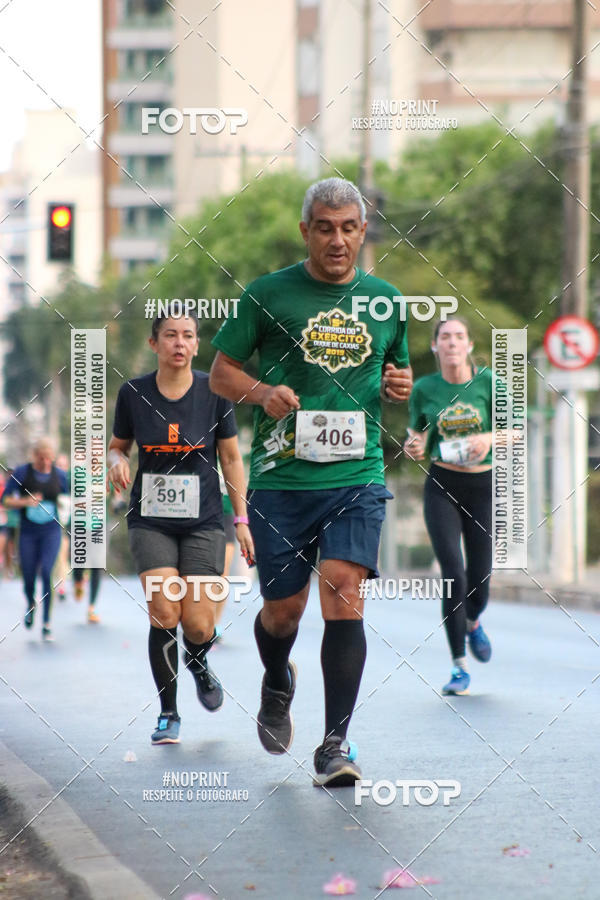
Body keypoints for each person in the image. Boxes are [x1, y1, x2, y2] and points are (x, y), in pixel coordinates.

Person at [210, 176, 412, 786]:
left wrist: (398, 386)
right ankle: (277, 677)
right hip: (282, 479)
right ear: (307, 231)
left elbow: (396, 370)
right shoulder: (269, 294)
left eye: (349, 228)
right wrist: (263, 391)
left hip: (358, 474)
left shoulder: (386, 301)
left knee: (345, 588)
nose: (337, 239)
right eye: (325, 227)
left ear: (363, 232)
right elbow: (220, 374)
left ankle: (335, 746)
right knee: (284, 612)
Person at [107, 308, 253, 745]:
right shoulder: (133, 393)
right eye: (170, 335)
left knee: (199, 625)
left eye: (188, 335)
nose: (179, 343)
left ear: (196, 344)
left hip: (206, 521)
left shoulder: (215, 391)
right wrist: (116, 461)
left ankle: (200, 662)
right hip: (151, 520)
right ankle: (169, 713)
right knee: (165, 612)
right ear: (154, 344)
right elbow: (118, 448)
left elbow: (230, 458)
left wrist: (241, 519)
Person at [405, 316, 493, 696]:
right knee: (453, 574)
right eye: (445, 337)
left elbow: (516, 429)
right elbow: (418, 435)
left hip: (483, 486)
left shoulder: (489, 382)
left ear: (469, 346)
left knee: (481, 577)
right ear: (435, 346)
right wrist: (415, 446)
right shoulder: (425, 388)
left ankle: (473, 620)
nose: (453, 343)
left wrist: (489, 437)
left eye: (459, 337)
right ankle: (459, 665)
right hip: (443, 485)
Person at [1, 438, 68, 640]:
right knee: (29, 574)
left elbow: (76, 497)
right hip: (28, 531)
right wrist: (25, 501)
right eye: (41, 458)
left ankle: (47, 623)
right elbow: (5, 499)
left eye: (49, 458)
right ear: (34, 456)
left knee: (47, 571)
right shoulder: (23, 473)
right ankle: (31, 602)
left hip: (51, 531)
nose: (46, 462)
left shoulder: (61, 476)